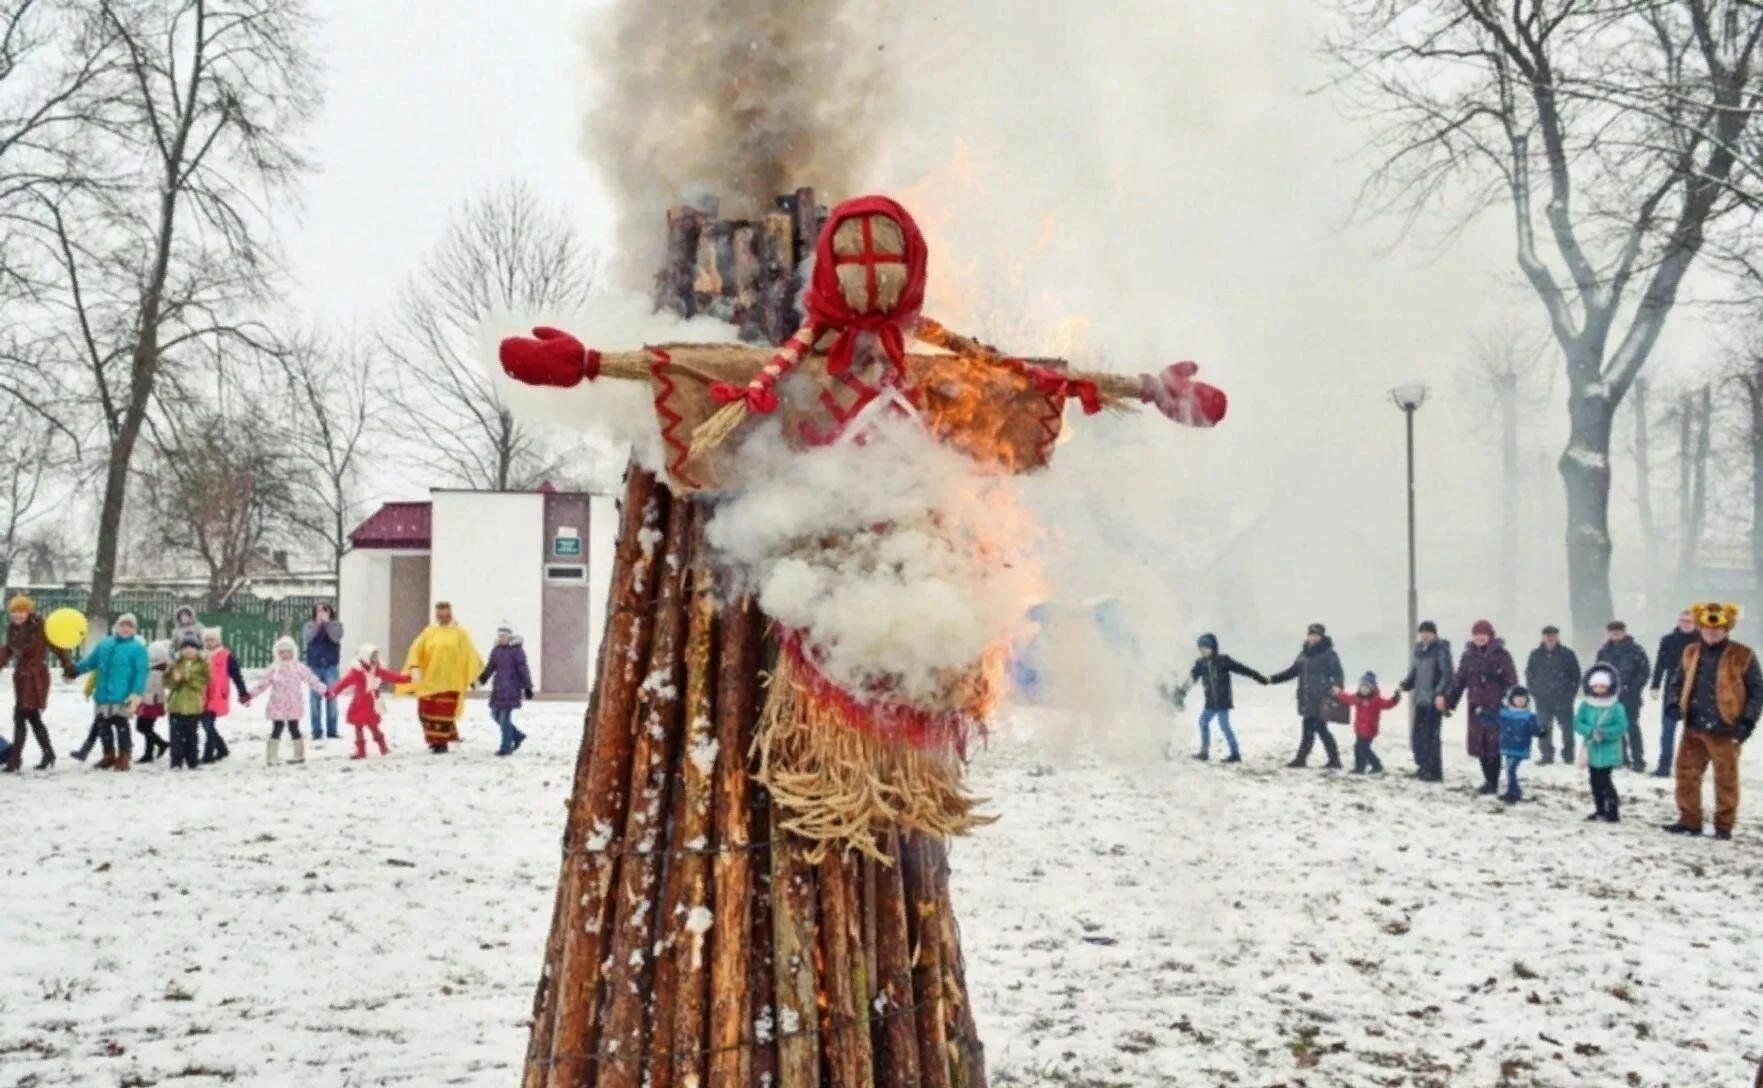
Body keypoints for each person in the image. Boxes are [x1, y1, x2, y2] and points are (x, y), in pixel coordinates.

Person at [1663, 602, 1763, 841]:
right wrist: (1673, 703)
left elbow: (1756, 691)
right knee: (1686, 774)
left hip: (1726, 727)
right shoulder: (1690, 651)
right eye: (1707, 629)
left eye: (1717, 629)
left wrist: (1747, 721)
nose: (1712, 633)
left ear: (1727, 629)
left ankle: (1724, 825)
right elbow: (1677, 681)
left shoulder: (1744, 654)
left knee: (1726, 779)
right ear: (1701, 628)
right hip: (1694, 724)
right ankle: (1689, 820)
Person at [1439, 619, 1518, 795]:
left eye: (1482, 634)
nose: (1479, 638)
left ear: (1490, 635)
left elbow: (1511, 681)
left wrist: (1508, 699)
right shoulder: (1468, 657)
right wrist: (1449, 702)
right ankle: (1487, 780)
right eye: (1476, 635)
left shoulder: (1502, 655)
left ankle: (1493, 782)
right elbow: (1459, 681)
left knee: (1493, 746)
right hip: (1475, 708)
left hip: (1496, 708)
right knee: (1480, 746)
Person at [68, 613, 150, 772]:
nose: (125, 628)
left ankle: (124, 756)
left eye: (129, 626)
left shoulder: (138, 649)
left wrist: (136, 693)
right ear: (116, 627)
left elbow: (141, 673)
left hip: (123, 694)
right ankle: (109, 755)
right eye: (123, 625)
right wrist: (74, 670)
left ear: (134, 630)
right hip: (103, 693)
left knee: (121, 725)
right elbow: (91, 662)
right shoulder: (104, 644)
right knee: (103, 726)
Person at [0, 594, 73, 772]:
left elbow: (59, 647)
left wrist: (68, 667)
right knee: (32, 717)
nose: (17, 615)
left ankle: (15, 759)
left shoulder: (41, 627)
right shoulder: (13, 629)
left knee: (20, 717)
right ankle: (48, 753)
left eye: (21, 611)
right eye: (14, 612)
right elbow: (8, 650)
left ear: (28, 612)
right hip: (21, 676)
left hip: (35, 677)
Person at [401, 601, 484, 754]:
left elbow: (470, 655)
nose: (443, 618)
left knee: (443, 712)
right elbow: (416, 649)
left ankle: (441, 742)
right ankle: (434, 740)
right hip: (430, 680)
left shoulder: (460, 633)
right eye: (440, 615)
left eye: (446, 615)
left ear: (450, 614)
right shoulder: (429, 632)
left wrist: (475, 677)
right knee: (425, 712)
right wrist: (414, 667)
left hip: (450, 682)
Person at [1175, 633, 1268, 763]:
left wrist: (1258, 677)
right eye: (1201, 649)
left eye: (1205, 648)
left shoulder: (1223, 661)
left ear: (1212, 648)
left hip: (1223, 702)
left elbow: (1243, 669)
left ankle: (1235, 754)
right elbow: (1190, 680)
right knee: (1203, 722)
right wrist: (1181, 693)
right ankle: (1204, 752)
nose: (1203, 651)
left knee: (1224, 726)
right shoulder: (1200, 664)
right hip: (1210, 703)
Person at [1268, 622, 1345, 770]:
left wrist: (1337, 686)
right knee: (1315, 729)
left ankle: (1311, 759)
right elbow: (1292, 672)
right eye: (1311, 635)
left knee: (1316, 729)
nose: (1313, 638)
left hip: (1321, 698)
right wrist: (1272, 679)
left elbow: (1337, 672)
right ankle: (1323, 760)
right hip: (1307, 698)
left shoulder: (1329, 653)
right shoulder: (1303, 654)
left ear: (1322, 637)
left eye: (1317, 635)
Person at [248, 636, 326, 766]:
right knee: (277, 728)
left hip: (293, 704)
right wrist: (249, 695)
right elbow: (262, 684)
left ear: (293, 652)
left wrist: (325, 691)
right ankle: (271, 756)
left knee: (294, 728)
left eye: (288, 651)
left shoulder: (299, 667)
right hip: (277, 704)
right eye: (282, 652)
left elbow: (312, 680)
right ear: (277, 653)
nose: (285, 654)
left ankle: (299, 755)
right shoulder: (274, 668)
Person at [328, 644, 410, 760]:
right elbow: (344, 682)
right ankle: (362, 751)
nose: (375, 658)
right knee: (359, 727)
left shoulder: (378, 669)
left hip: (371, 704)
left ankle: (383, 748)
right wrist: (333, 692)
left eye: (376, 655)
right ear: (366, 656)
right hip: (360, 703)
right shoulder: (357, 671)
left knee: (373, 727)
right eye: (373, 656)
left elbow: (393, 677)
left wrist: (408, 678)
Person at [1399, 620, 1453, 782]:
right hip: (1420, 700)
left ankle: (1434, 771)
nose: (1424, 635)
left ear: (1434, 634)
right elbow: (1414, 673)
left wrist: (1440, 693)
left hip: (1433, 700)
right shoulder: (1418, 650)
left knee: (1431, 737)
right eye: (1422, 632)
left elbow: (1447, 674)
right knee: (1418, 736)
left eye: (1428, 632)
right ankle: (1422, 766)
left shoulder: (1441, 650)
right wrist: (1405, 684)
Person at [1595, 620, 1651, 772]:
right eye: (1612, 631)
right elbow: (1598, 672)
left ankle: (1638, 760)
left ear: (1625, 632)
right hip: (1610, 697)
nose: (1615, 633)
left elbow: (1644, 672)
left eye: (1618, 631)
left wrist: (1632, 688)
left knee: (1631, 726)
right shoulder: (1604, 651)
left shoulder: (1636, 650)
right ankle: (1621, 758)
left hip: (1631, 696)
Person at [1650, 610, 1699, 778]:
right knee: (1667, 729)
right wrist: (1655, 684)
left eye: (1689, 621)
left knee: (1694, 731)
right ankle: (1664, 766)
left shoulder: (1701, 641)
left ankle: (1692, 767)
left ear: (1695, 623)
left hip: (1696, 688)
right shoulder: (1668, 640)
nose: (1686, 624)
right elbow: (1660, 663)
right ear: (1678, 622)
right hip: (1672, 687)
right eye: (1683, 621)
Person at [1576, 664, 1627, 822]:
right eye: (1596, 686)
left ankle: (1612, 811)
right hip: (1592, 749)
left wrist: (1605, 734)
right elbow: (1577, 722)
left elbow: (1622, 726)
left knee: (1605, 780)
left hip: (1608, 750)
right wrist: (1590, 731)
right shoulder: (1586, 705)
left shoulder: (1616, 706)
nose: (1599, 689)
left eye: (1602, 686)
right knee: (1594, 780)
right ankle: (1599, 810)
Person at [1524, 625, 1581, 765]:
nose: (1550, 638)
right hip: (1543, 699)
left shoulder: (1567, 654)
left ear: (1557, 637)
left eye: (1553, 635)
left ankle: (1569, 755)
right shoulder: (1535, 655)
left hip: (1564, 699)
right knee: (1543, 728)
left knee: (1567, 728)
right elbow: (1529, 674)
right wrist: (1534, 691)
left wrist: (1570, 693)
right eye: (1547, 635)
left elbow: (1576, 675)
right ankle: (1546, 755)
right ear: (1543, 637)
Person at [478, 623, 536, 757]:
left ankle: (506, 747)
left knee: (504, 719)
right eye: (500, 635)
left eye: (504, 635)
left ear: (510, 637)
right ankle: (517, 735)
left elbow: (523, 670)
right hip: (498, 688)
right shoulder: (496, 650)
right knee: (495, 715)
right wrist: (482, 678)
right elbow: (490, 666)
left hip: (511, 689)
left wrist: (528, 687)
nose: (502, 638)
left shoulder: (517, 651)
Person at [200, 626, 250, 764]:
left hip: (217, 694)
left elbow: (236, 675)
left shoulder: (225, 655)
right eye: (207, 640)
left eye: (212, 640)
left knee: (208, 724)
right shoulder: (200, 655)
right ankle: (222, 748)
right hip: (202, 695)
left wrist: (243, 693)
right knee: (205, 724)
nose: (209, 643)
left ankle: (208, 755)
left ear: (218, 641)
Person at [1334, 670, 1398, 774]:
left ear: (1372, 688)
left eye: (1366, 687)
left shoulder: (1376, 700)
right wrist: (1338, 694)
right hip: (1359, 729)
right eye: (1362, 687)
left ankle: (1376, 765)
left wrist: (1395, 699)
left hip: (1369, 730)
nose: (1364, 689)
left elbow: (1387, 704)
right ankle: (1360, 767)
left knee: (1364, 749)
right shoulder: (1357, 698)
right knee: (1358, 748)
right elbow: (1347, 698)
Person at [164, 636, 211, 771]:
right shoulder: (175, 663)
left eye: (192, 647)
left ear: (197, 650)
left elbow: (203, 682)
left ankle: (192, 761)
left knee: (192, 736)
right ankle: (176, 762)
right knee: (175, 737)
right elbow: (168, 683)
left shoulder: (202, 664)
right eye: (185, 647)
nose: (188, 650)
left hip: (193, 707)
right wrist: (174, 679)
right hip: (176, 706)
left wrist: (187, 677)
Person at [302, 602, 344, 741]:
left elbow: (335, 637)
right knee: (314, 700)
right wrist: (318, 624)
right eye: (318, 610)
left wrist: (327, 624)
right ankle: (316, 731)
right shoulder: (309, 625)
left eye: (324, 610)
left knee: (332, 699)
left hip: (331, 667)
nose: (321, 613)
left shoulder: (336, 625)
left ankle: (332, 731)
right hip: (314, 667)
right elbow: (308, 638)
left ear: (330, 612)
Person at [1497, 685, 1541, 803]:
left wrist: (1540, 732)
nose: (1520, 701)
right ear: (1511, 699)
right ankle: (1513, 791)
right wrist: (1482, 714)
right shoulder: (1505, 713)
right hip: (1507, 746)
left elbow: (1534, 730)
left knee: (1511, 770)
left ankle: (1514, 793)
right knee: (1508, 770)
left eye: (1523, 699)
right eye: (1517, 698)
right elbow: (1493, 720)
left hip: (1520, 747)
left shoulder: (1529, 716)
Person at [135, 641, 172, 763]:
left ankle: (157, 747)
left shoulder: (157, 671)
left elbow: (155, 688)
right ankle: (152, 750)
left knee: (143, 727)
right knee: (146, 727)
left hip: (152, 702)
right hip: (147, 701)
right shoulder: (150, 669)